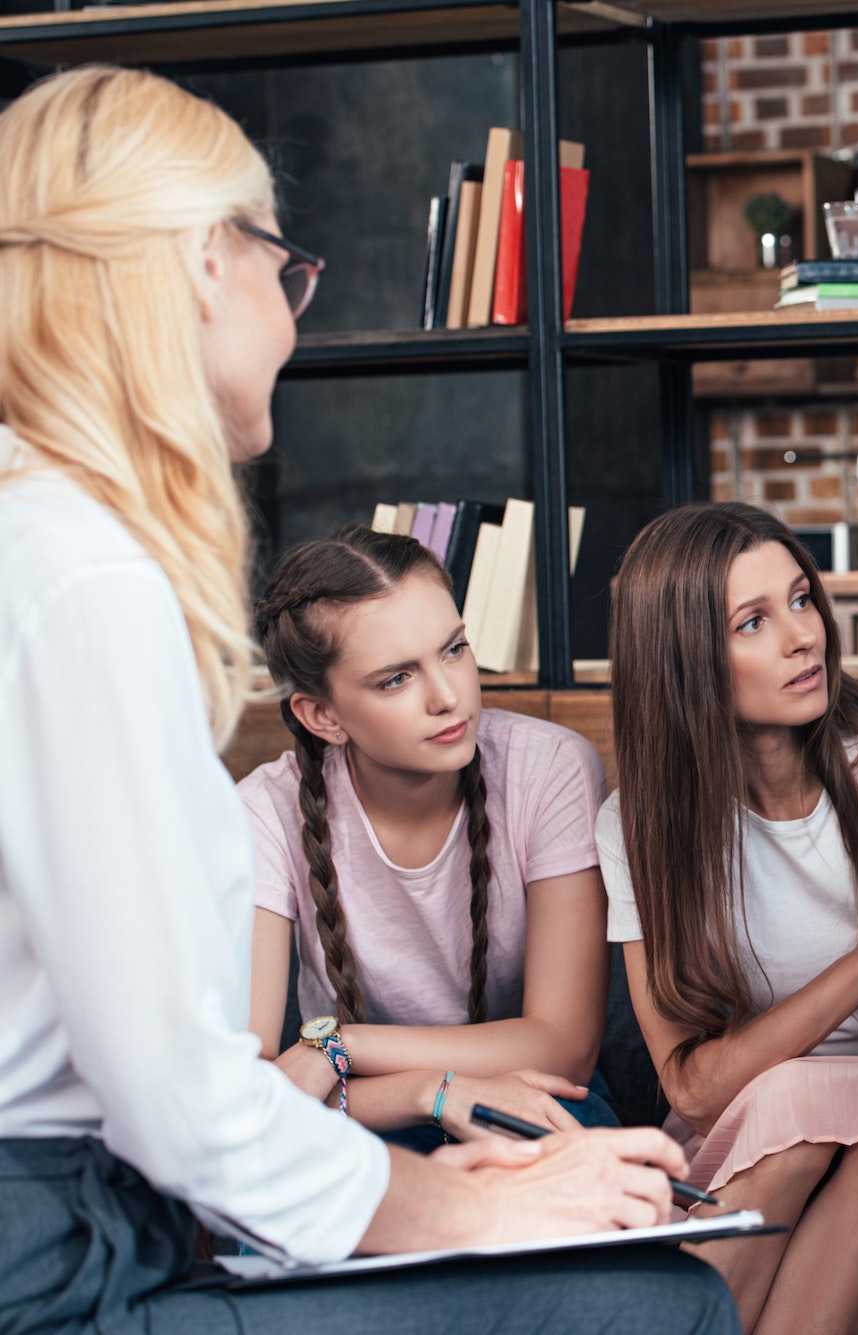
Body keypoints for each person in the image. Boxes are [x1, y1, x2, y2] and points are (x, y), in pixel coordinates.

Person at [0, 66, 734, 1331]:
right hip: (61, 1240)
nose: (290, 323)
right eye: (286, 274)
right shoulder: (80, 576)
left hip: (101, 1208)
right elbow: (180, 1097)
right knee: (643, 1302)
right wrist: (471, 1207)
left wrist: (411, 1148)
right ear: (200, 268)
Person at [601, 502, 858, 1335]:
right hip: (753, 1129)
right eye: (752, 621)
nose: (803, 637)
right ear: (683, 660)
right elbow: (689, 1082)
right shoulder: (639, 824)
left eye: (800, 600)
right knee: (793, 1105)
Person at [243, 526, 621, 1149]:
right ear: (323, 716)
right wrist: (430, 1092)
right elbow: (259, 1091)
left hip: (520, 1097)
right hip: (351, 1116)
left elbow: (564, 1048)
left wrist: (339, 1045)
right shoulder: (264, 811)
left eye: (454, 649)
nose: (449, 696)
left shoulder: (549, 767)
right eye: (396, 679)